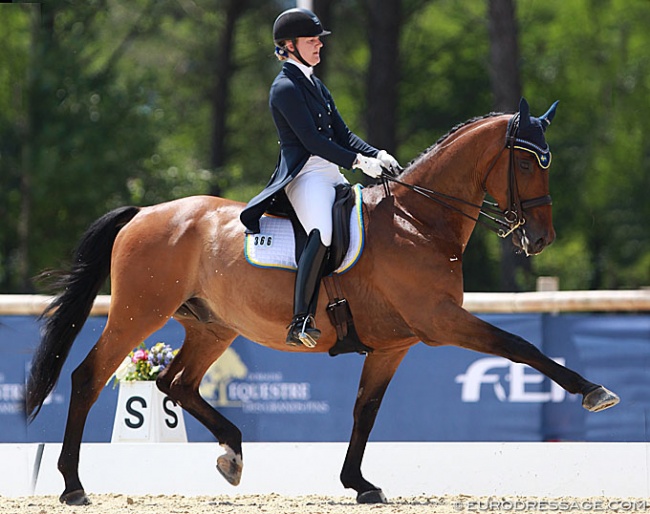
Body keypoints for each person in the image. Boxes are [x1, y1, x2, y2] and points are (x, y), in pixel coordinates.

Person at [239, 7, 400, 348]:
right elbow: (313, 142)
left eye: (318, 40)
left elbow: (343, 133)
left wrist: (376, 155)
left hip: (331, 170)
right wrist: (359, 162)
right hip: (305, 175)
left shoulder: (316, 84)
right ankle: (301, 319)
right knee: (322, 231)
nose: (318, 46)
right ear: (289, 46)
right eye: (311, 41)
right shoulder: (284, 88)